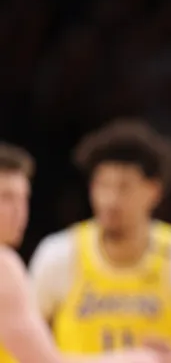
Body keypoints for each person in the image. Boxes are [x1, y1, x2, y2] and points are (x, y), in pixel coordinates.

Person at [28, 120, 171, 363]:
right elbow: (17, 348)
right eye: (103, 185)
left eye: (124, 187)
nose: (110, 200)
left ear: (154, 191)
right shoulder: (58, 254)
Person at [0, 142, 159, 363]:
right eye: (6, 197)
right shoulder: (5, 267)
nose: (20, 211)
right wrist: (135, 359)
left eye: (23, 198)